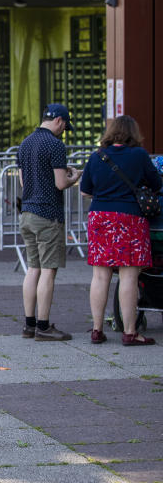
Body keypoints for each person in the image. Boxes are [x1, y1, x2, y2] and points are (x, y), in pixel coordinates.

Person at [82, 115, 161, 347]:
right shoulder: (139, 155)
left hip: (100, 217)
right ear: (132, 133)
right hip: (130, 218)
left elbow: (85, 190)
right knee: (129, 275)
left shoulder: (96, 157)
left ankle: (96, 329)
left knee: (100, 275)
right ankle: (129, 332)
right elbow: (157, 184)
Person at [17, 104, 82, 342]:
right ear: (59, 121)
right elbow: (60, 183)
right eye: (65, 126)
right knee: (47, 270)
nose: (64, 131)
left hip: (27, 213)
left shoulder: (25, 143)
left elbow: (24, 182)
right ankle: (44, 326)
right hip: (48, 215)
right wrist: (74, 177)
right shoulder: (55, 145)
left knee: (32, 269)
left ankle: (29, 324)